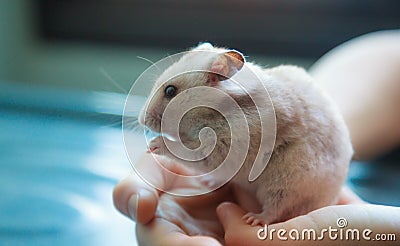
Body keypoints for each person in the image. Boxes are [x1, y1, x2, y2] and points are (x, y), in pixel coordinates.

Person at [113, 30, 400, 245]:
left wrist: (175, 149)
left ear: (219, 78)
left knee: (286, 179)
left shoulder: (247, 114)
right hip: (311, 148)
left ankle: (272, 214)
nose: (149, 116)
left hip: (302, 173)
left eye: (172, 93)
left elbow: (224, 156)